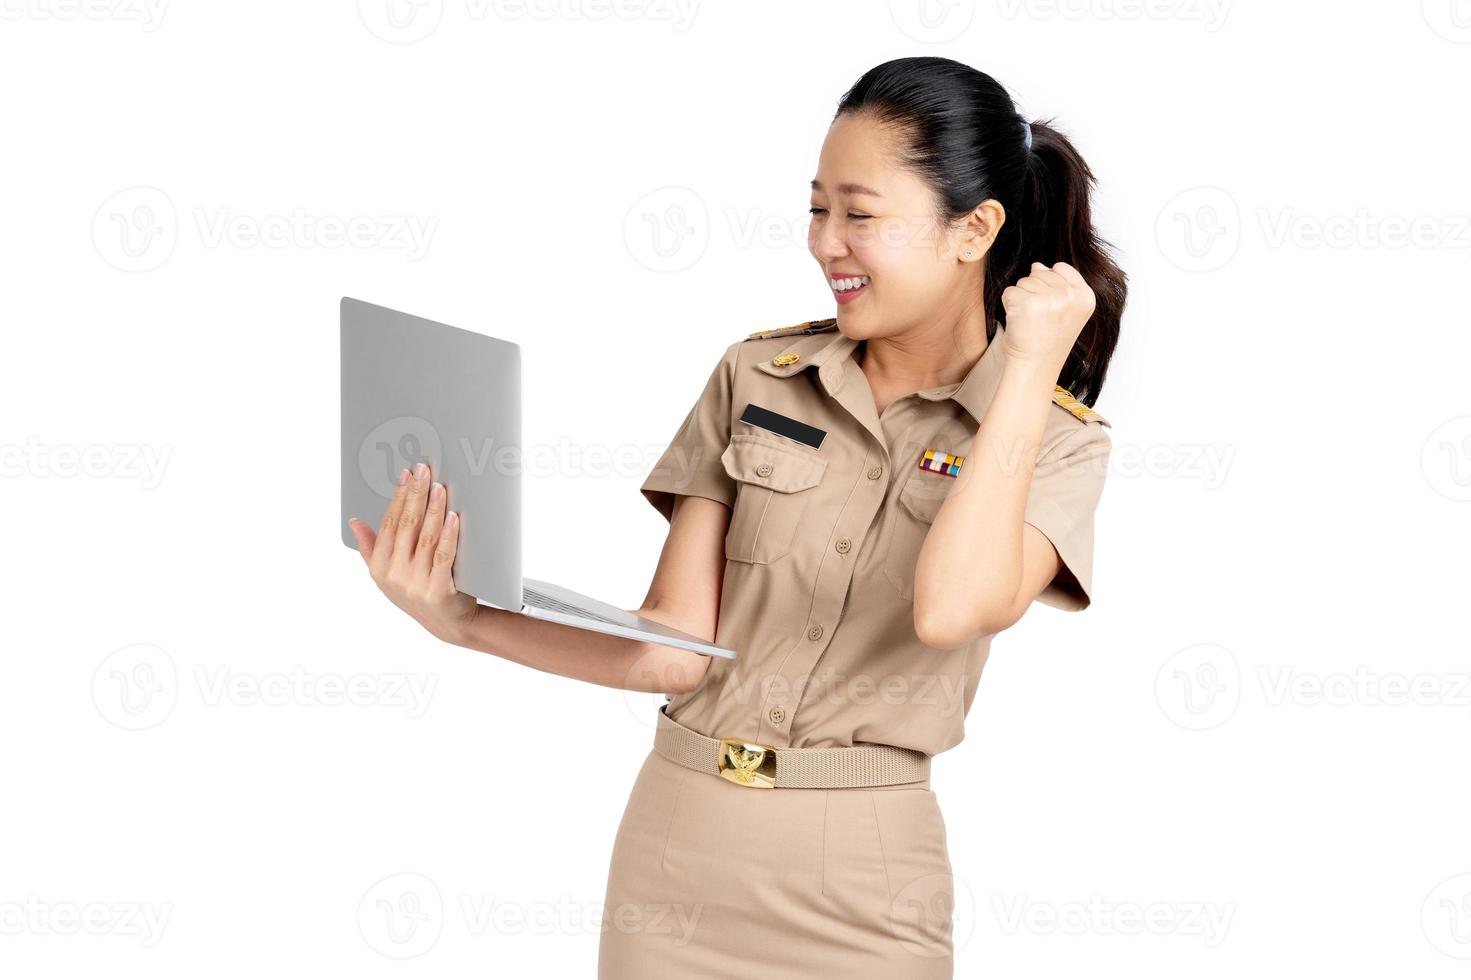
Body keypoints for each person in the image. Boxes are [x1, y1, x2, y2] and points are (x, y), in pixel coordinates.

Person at [346, 55, 1125, 979]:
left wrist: (1030, 370)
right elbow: (677, 647)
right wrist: (464, 619)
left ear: (975, 230)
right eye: (817, 208)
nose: (825, 242)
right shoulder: (757, 376)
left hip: (866, 883)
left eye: (859, 214)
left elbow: (949, 611)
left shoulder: (1058, 441)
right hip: (677, 845)